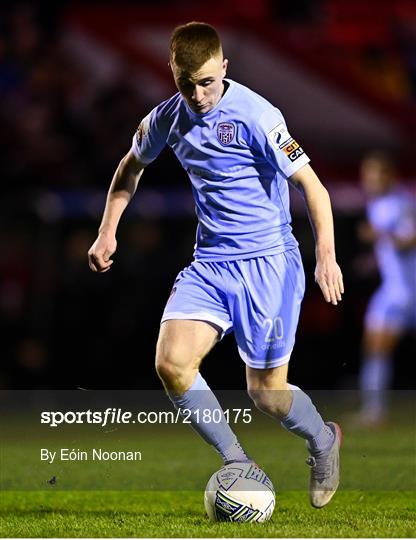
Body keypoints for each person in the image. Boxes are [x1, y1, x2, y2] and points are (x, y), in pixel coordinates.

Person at [88, 22, 344, 508]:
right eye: (188, 83)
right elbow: (129, 169)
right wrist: (107, 230)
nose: (199, 94)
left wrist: (325, 257)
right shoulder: (165, 118)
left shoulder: (259, 116)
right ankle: (237, 463)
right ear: (173, 73)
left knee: (266, 394)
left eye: (208, 81)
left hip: (268, 263)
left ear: (224, 68)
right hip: (210, 264)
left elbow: (314, 188)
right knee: (172, 363)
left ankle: (324, 439)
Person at [357, 152, 416, 427]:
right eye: (366, 175)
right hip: (393, 288)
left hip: (406, 290)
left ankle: (375, 410)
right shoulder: (378, 205)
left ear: (389, 176)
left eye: (375, 174)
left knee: (378, 346)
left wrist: (378, 234)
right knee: (374, 345)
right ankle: (374, 410)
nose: (370, 180)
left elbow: (408, 240)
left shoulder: (400, 203)